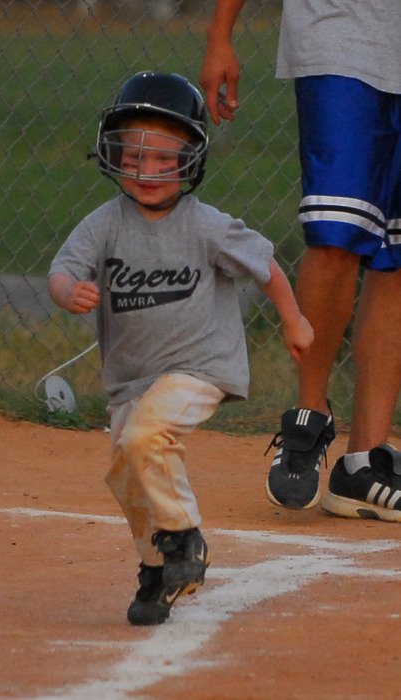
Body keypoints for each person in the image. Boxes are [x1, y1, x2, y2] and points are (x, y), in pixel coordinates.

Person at [48, 71, 313, 625]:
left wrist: (293, 320)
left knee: (146, 437)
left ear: (190, 160)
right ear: (113, 155)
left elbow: (265, 266)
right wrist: (69, 292)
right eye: (135, 157)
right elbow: (62, 270)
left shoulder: (206, 226)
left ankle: (185, 539)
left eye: (164, 159)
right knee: (126, 470)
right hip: (130, 379)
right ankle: (158, 569)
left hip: (199, 366)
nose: (148, 172)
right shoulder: (104, 225)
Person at [199, 1, 401, 521]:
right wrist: (221, 33)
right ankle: (309, 416)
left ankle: (364, 463)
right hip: (343, 33)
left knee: (397, 254)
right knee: (335, 234)